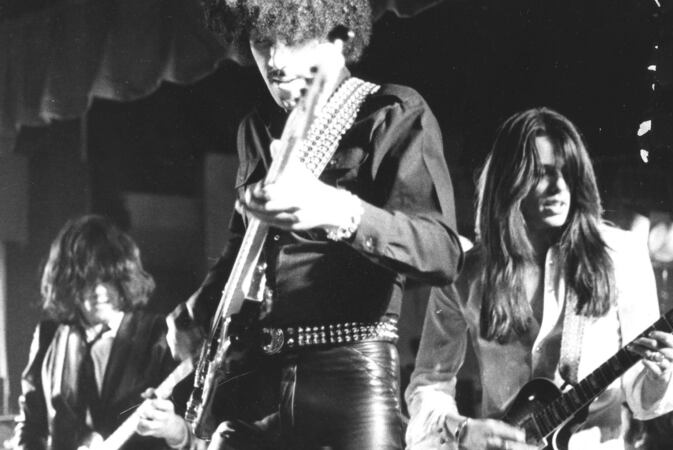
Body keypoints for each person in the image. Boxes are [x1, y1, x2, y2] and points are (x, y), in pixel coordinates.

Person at [166, 0, 462, 449]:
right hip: (258, 393)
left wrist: (338, 211)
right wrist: (198, 311)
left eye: (293, 37)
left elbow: (442, 252)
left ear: (333, 34)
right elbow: (240, 250)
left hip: (351, 386)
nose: (277, 62)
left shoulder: (391, 112)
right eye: (262, 42)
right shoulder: (256, 130)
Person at [405, 108, 673, 449]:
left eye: (567, 173)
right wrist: (460, 430)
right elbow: (429, 383)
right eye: (541, 173)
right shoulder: (464, 272)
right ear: (509, 181)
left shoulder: (621, 255)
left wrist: (661, 372)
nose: (558, 187)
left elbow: (645, 402)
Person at [10, 215, 193, 450]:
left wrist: (175, 430)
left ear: (123, 277)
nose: (99, 291)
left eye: (108, 279)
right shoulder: (48, 336)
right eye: (87, 280)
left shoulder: (161, 334)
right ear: (68, 282)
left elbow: (198, 432)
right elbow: (31, 426)